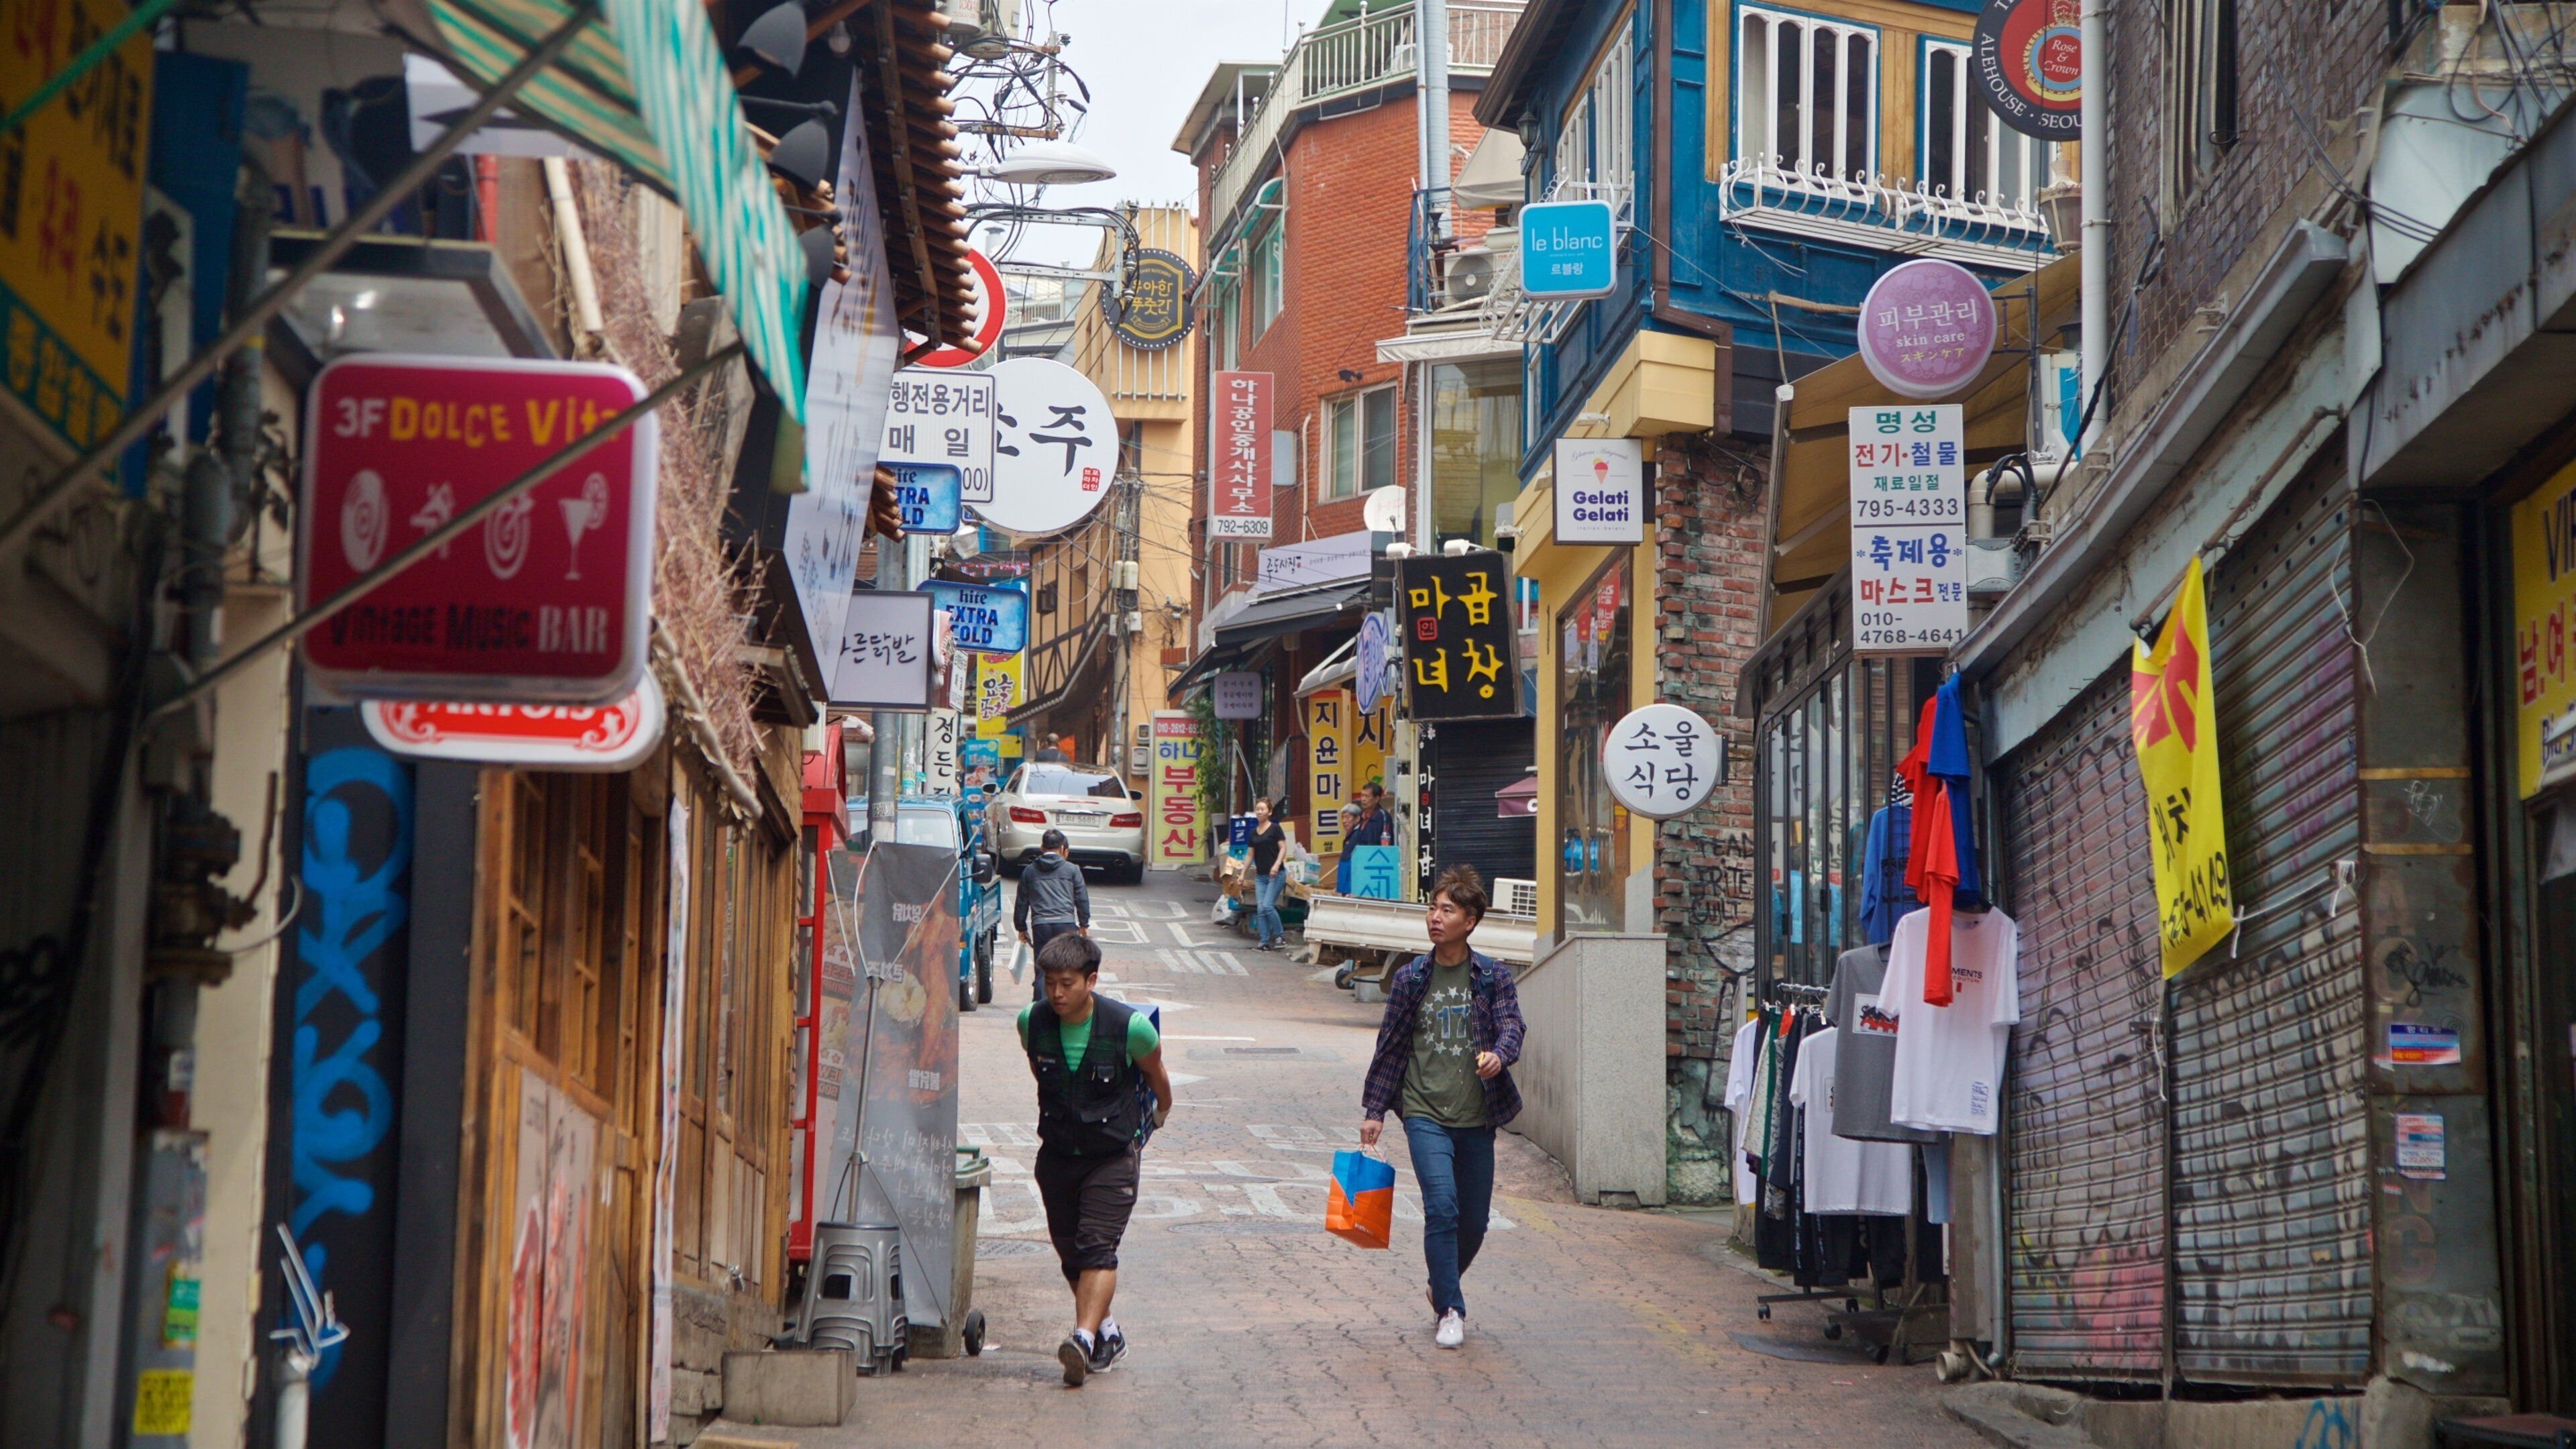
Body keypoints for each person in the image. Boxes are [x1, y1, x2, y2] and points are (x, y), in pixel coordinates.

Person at [1358, 865, 1523, 1350]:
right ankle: (1450, 1308)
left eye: (1447, 910)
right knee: (1442, 1207)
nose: (1435, 917)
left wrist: (1500, 1054)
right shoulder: (1412, 978)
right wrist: (1374, 1110)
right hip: (1424, 1112)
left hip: (1477, 1116)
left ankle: (1441, 1282)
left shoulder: (1492, 976)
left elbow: (1512, 1025)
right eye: (1432, 908)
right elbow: (1389, 1047)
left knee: (1475, 1220)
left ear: (1469, 921)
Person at [1019, 933, 1174, 1385]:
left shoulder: (1131, 1028)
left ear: (1091, 980)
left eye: (1066, 983)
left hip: (1112, 1156)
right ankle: (1108, 1331)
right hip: (1057, 1156)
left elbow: (1156, 1074)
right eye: (1049, 983)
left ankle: (1083, 1339)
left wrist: (1161, 1113)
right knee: (1071, 1254)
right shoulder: (1032, 1022)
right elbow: (1041, 1072)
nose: (1056, 994)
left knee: (1096, 1247)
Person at [1014, 828, 1091, 988]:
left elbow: (1022, 902)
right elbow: (1082, 899)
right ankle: (1065, 1007)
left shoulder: (1029, 871)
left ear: (1042, 848)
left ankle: (1040, 1006)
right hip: (1066, 926)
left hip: (1041, 926)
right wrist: (1084, 924)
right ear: (1063, 849)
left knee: (1043, 970)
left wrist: (1021, 928)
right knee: (1067, 969)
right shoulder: (1072, 870)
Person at [1246, 798, 1289, 951]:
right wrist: (1242, 874)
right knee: (1260, 909)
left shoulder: (1275, 829)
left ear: (1270, 812)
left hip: (1276, 875)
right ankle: (1263, 942)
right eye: (1257, 809)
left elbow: (1284, 848)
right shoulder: (1253, 833)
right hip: (1261, 876)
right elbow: (1250, 855)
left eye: (1263, 809)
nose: (1259, 812)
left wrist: (1277, 865)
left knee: (1268, 906)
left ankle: (1280, 936)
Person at [1347, 783, 1395, 848]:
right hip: (1360, 857)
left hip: (1375, 856)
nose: (1363, 799)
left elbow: (1386, 845)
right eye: (1362, 796)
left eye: (1366, 796)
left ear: (1376, 799)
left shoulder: (1383, 816)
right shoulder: (1360, 817)